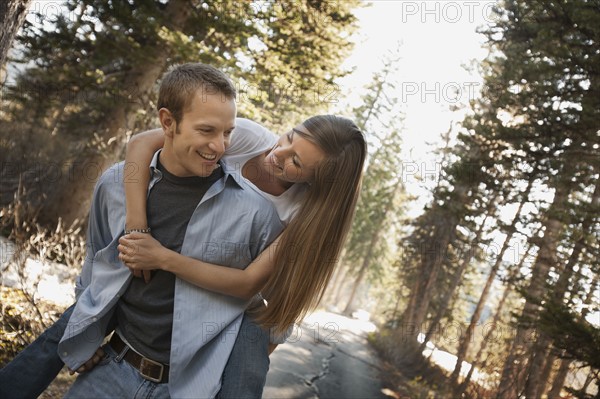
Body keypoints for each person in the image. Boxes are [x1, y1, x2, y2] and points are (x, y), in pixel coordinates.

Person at [0, 62, 284, 399]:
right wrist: (85, 331)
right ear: (168, 122)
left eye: (227, 132)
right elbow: (96, 262)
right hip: (111, 372)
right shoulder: (116, 185)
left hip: (188, 389)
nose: (220, 146)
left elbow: (277, 301)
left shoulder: (256, 214)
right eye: (207, 131)